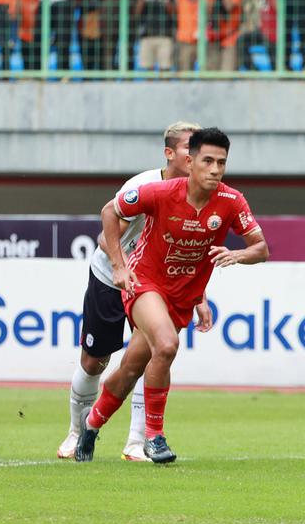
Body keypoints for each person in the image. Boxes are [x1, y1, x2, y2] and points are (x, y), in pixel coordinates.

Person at [76, 127, 269, 463]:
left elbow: (261, 248)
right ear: (190, 162)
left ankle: (91, 424)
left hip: (182, 295)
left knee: (131, 368)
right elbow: (110, 212)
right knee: (166, 345)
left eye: (221, 163)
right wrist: (120, 267)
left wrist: (236, 256)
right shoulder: (161, 193)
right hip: (147, 284)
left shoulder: (230, 201)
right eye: (207, 161)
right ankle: (155, 437)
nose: (215, 169)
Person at [56, 122, 200, 462]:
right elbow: (106, 237)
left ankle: (136, 442)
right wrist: (124, 268)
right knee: (94, 361)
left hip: (155, 286)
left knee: (148, 353)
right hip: (111, 277)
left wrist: (200, 295)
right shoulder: (143, 186)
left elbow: (192, 249)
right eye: (188, 149)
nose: (195, 157)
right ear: (169, 153)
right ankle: (76, 433)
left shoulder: (198, 193)